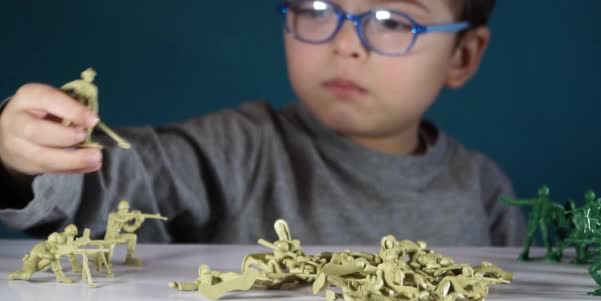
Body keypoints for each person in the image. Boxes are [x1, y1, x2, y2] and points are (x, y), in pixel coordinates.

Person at [0, 0, 524, 245]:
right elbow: (117, 179)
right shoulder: (238, 149)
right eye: (318, 8)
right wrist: (24, 153)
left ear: (463, 57)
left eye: (393, 21)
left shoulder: (485, 191)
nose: (345, 43)